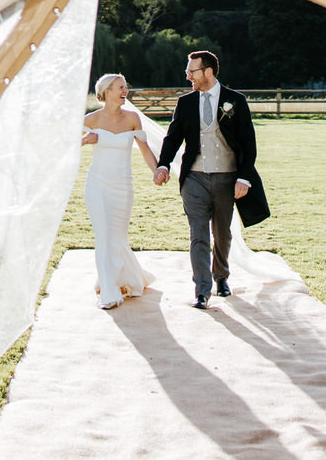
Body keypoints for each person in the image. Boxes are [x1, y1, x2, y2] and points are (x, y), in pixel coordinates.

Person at [153, 50, 269, 308]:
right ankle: (202, 291)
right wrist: (163, 165)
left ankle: (221, 277)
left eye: (191, 71)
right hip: (194, 178)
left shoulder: (235, 100)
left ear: (208, 71)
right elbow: (173, 138)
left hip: (227, 179)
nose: (187, 76)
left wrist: (244, 179)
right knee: (198, 234)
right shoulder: (185, 103)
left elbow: (249, 144)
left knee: (222, 233)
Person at [82, 73, 159, 309]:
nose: (125, 91)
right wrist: (86, 140)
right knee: (103, 236)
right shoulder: (90, 119)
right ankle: (108, 291)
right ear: (106, 92)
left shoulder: (133, 118)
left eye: (125, 87)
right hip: (97, 184)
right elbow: (66, 147)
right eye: (119, 87)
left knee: (117, 237)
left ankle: (128, 278)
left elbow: (144, 149)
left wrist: (157, 171)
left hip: (123, 186)